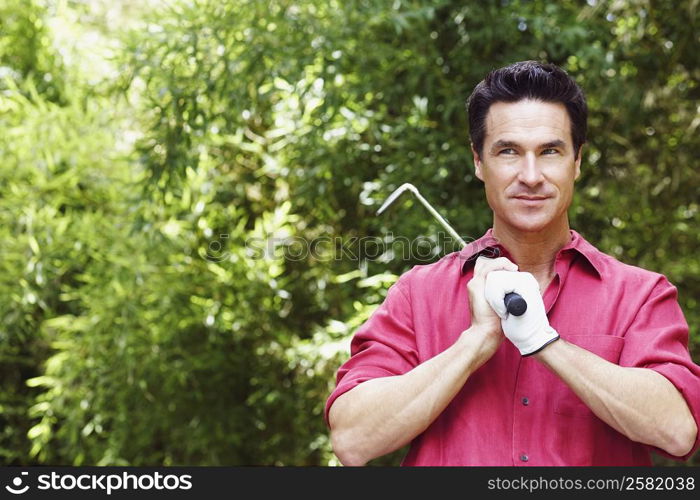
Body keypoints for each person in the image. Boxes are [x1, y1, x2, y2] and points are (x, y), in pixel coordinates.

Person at [324, 61, 700, 466]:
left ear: (576, 161)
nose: (531, 175)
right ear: (479, 162)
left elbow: (677, 432)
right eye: (508, 151)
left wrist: (544, 343)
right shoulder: (419, 293)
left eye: (550, 151)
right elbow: (352, 439)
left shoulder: (640, 294)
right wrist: (474, 343)